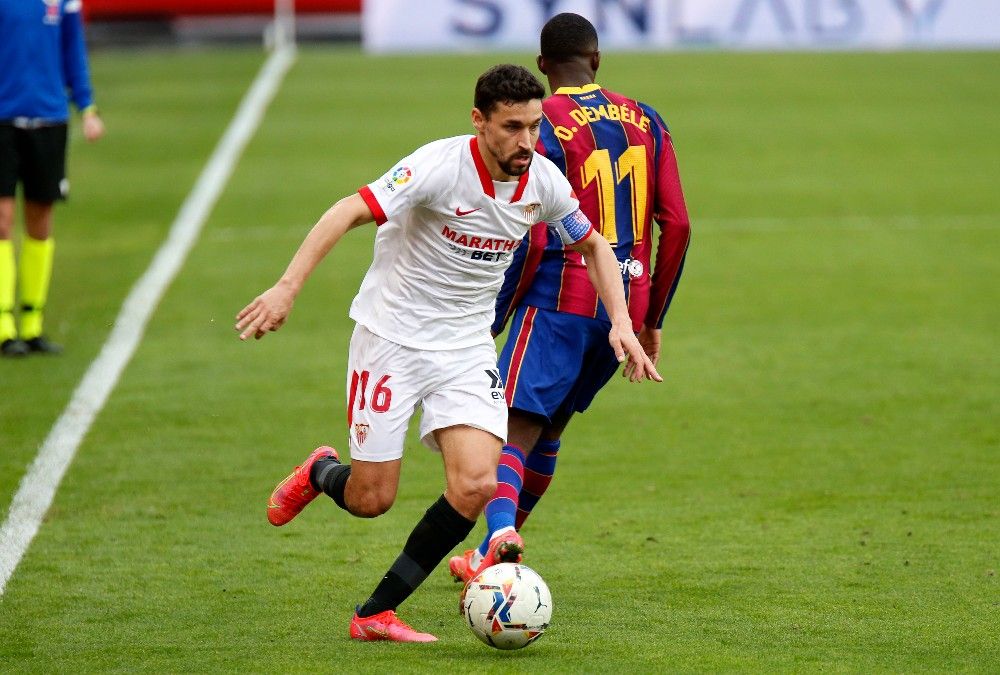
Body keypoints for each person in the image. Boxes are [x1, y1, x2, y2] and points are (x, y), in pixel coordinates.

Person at [235, 64, 660, 643]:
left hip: (464, 347)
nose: (527, 143)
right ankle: (320, 471)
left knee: (477, 484)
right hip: (392, 339)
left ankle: (374, 614)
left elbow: (593, 246)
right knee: (370, 499)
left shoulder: (544, 181)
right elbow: (349, 210)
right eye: (512, 128)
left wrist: (620, 323)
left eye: (535, 127)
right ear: (479, 121)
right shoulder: (437, 167)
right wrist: (286, 288)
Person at [449, 13, 691, 583]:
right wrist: (649, 316)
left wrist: (498, 311)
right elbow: (676, 224)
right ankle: (492, 550)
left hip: (559, 298)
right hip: (622, 309)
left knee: (513, 428)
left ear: (541, 67)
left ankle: (497, 546)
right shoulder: (648, 118)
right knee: (550, 428)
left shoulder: (543, 121)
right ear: (598, 59)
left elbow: (535, 231)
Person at [0, 0, 105, 357]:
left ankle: (32, 324)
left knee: (41, 220)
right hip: (3, 121)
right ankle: (3, 326)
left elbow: (72, 48)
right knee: (2, 220)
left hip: (49, 118)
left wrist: (87, 106)